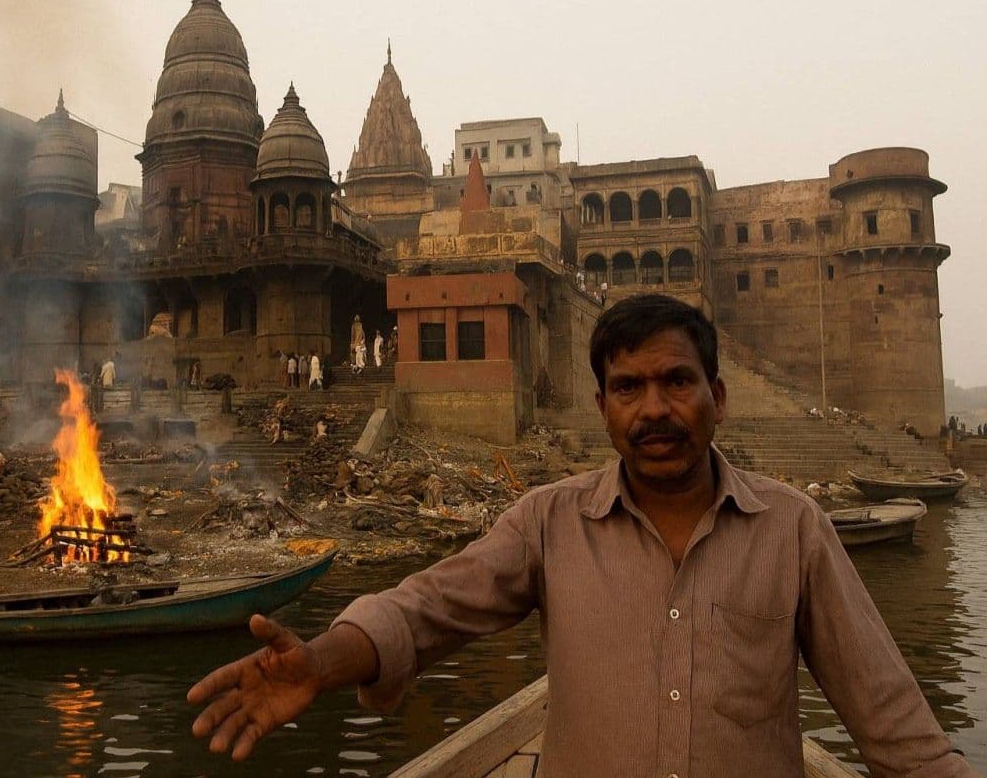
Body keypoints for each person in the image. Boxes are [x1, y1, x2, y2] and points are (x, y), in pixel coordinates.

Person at [188, 294, 976, 777]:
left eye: (676, 381)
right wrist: (319, 665)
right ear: (602, 407)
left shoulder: (795, 529)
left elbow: (891, 722)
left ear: (718, 398)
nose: (654, 409)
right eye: (628, 388)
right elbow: (424, 608)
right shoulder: (547, 522)